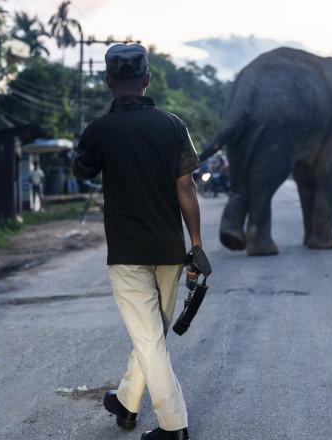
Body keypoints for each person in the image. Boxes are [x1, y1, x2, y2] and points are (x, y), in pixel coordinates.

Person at [72, 43, 203, 440]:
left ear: (109, 82)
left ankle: (173, 426)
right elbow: (187, 188)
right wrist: (195, 243)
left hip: (128, 254)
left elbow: (81, 170)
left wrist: (103, 120)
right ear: (147, 80)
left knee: (149, 339)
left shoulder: (100, 129)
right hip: (169, 249)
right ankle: (127, 405)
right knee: (153, 335)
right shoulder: (173, 124)